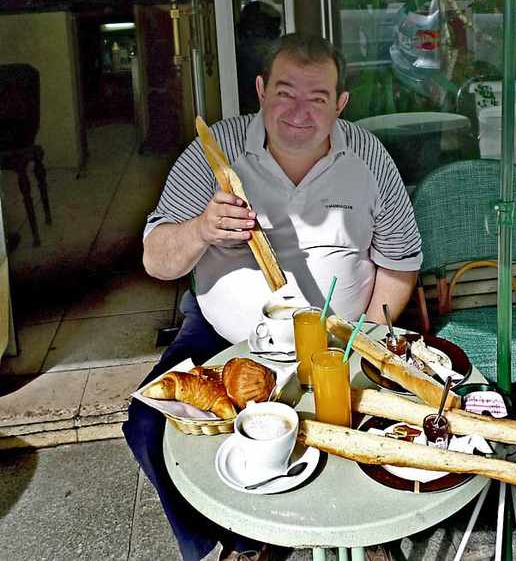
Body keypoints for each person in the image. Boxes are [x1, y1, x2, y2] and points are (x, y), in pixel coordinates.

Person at [123, 33, 422, 561]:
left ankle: (367, 530)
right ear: (260, 90)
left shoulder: (367, 156)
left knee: (387, 423)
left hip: (342, 338)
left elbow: (400, 261)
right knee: (147, 424)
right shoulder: (217, 151)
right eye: (285, 93)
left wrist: (370, 337)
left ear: (341, 103)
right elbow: (155, 258)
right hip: (224, 338)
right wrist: (200, 231)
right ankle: (233, 539)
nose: (300, 112)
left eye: (318, 98)